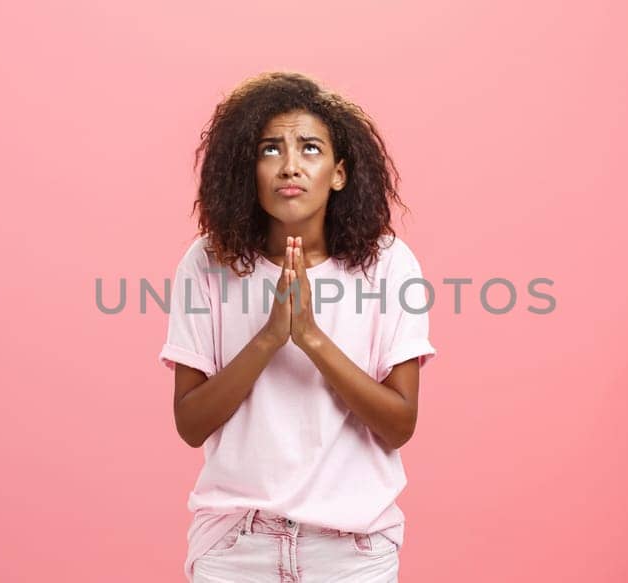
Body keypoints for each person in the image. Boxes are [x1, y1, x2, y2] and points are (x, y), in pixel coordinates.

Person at [159, 71, 436, 582]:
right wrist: (269, 337)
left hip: (352, 552)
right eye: (270, 150)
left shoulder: (389, 265)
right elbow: (190, 424)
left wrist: (308, 336)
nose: (290, 166)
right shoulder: (207, 264)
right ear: (248, 170)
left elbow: (399, 424)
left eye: (310, 148)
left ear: (339, 173)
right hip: (236, 546)